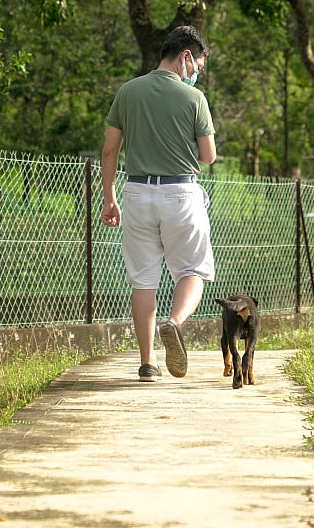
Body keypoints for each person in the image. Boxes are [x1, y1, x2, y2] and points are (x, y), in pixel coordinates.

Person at [99, 25, 216, 382]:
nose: (196, 73)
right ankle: (175, 323)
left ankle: (148, 363)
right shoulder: (193, 99)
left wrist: (109, 199)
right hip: (181, 193)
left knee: (143, 281)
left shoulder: (128, 91)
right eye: (197, 65)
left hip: (136, 194)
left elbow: (109, 150)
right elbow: (208, 156)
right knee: (193, 270)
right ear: (185, 57)